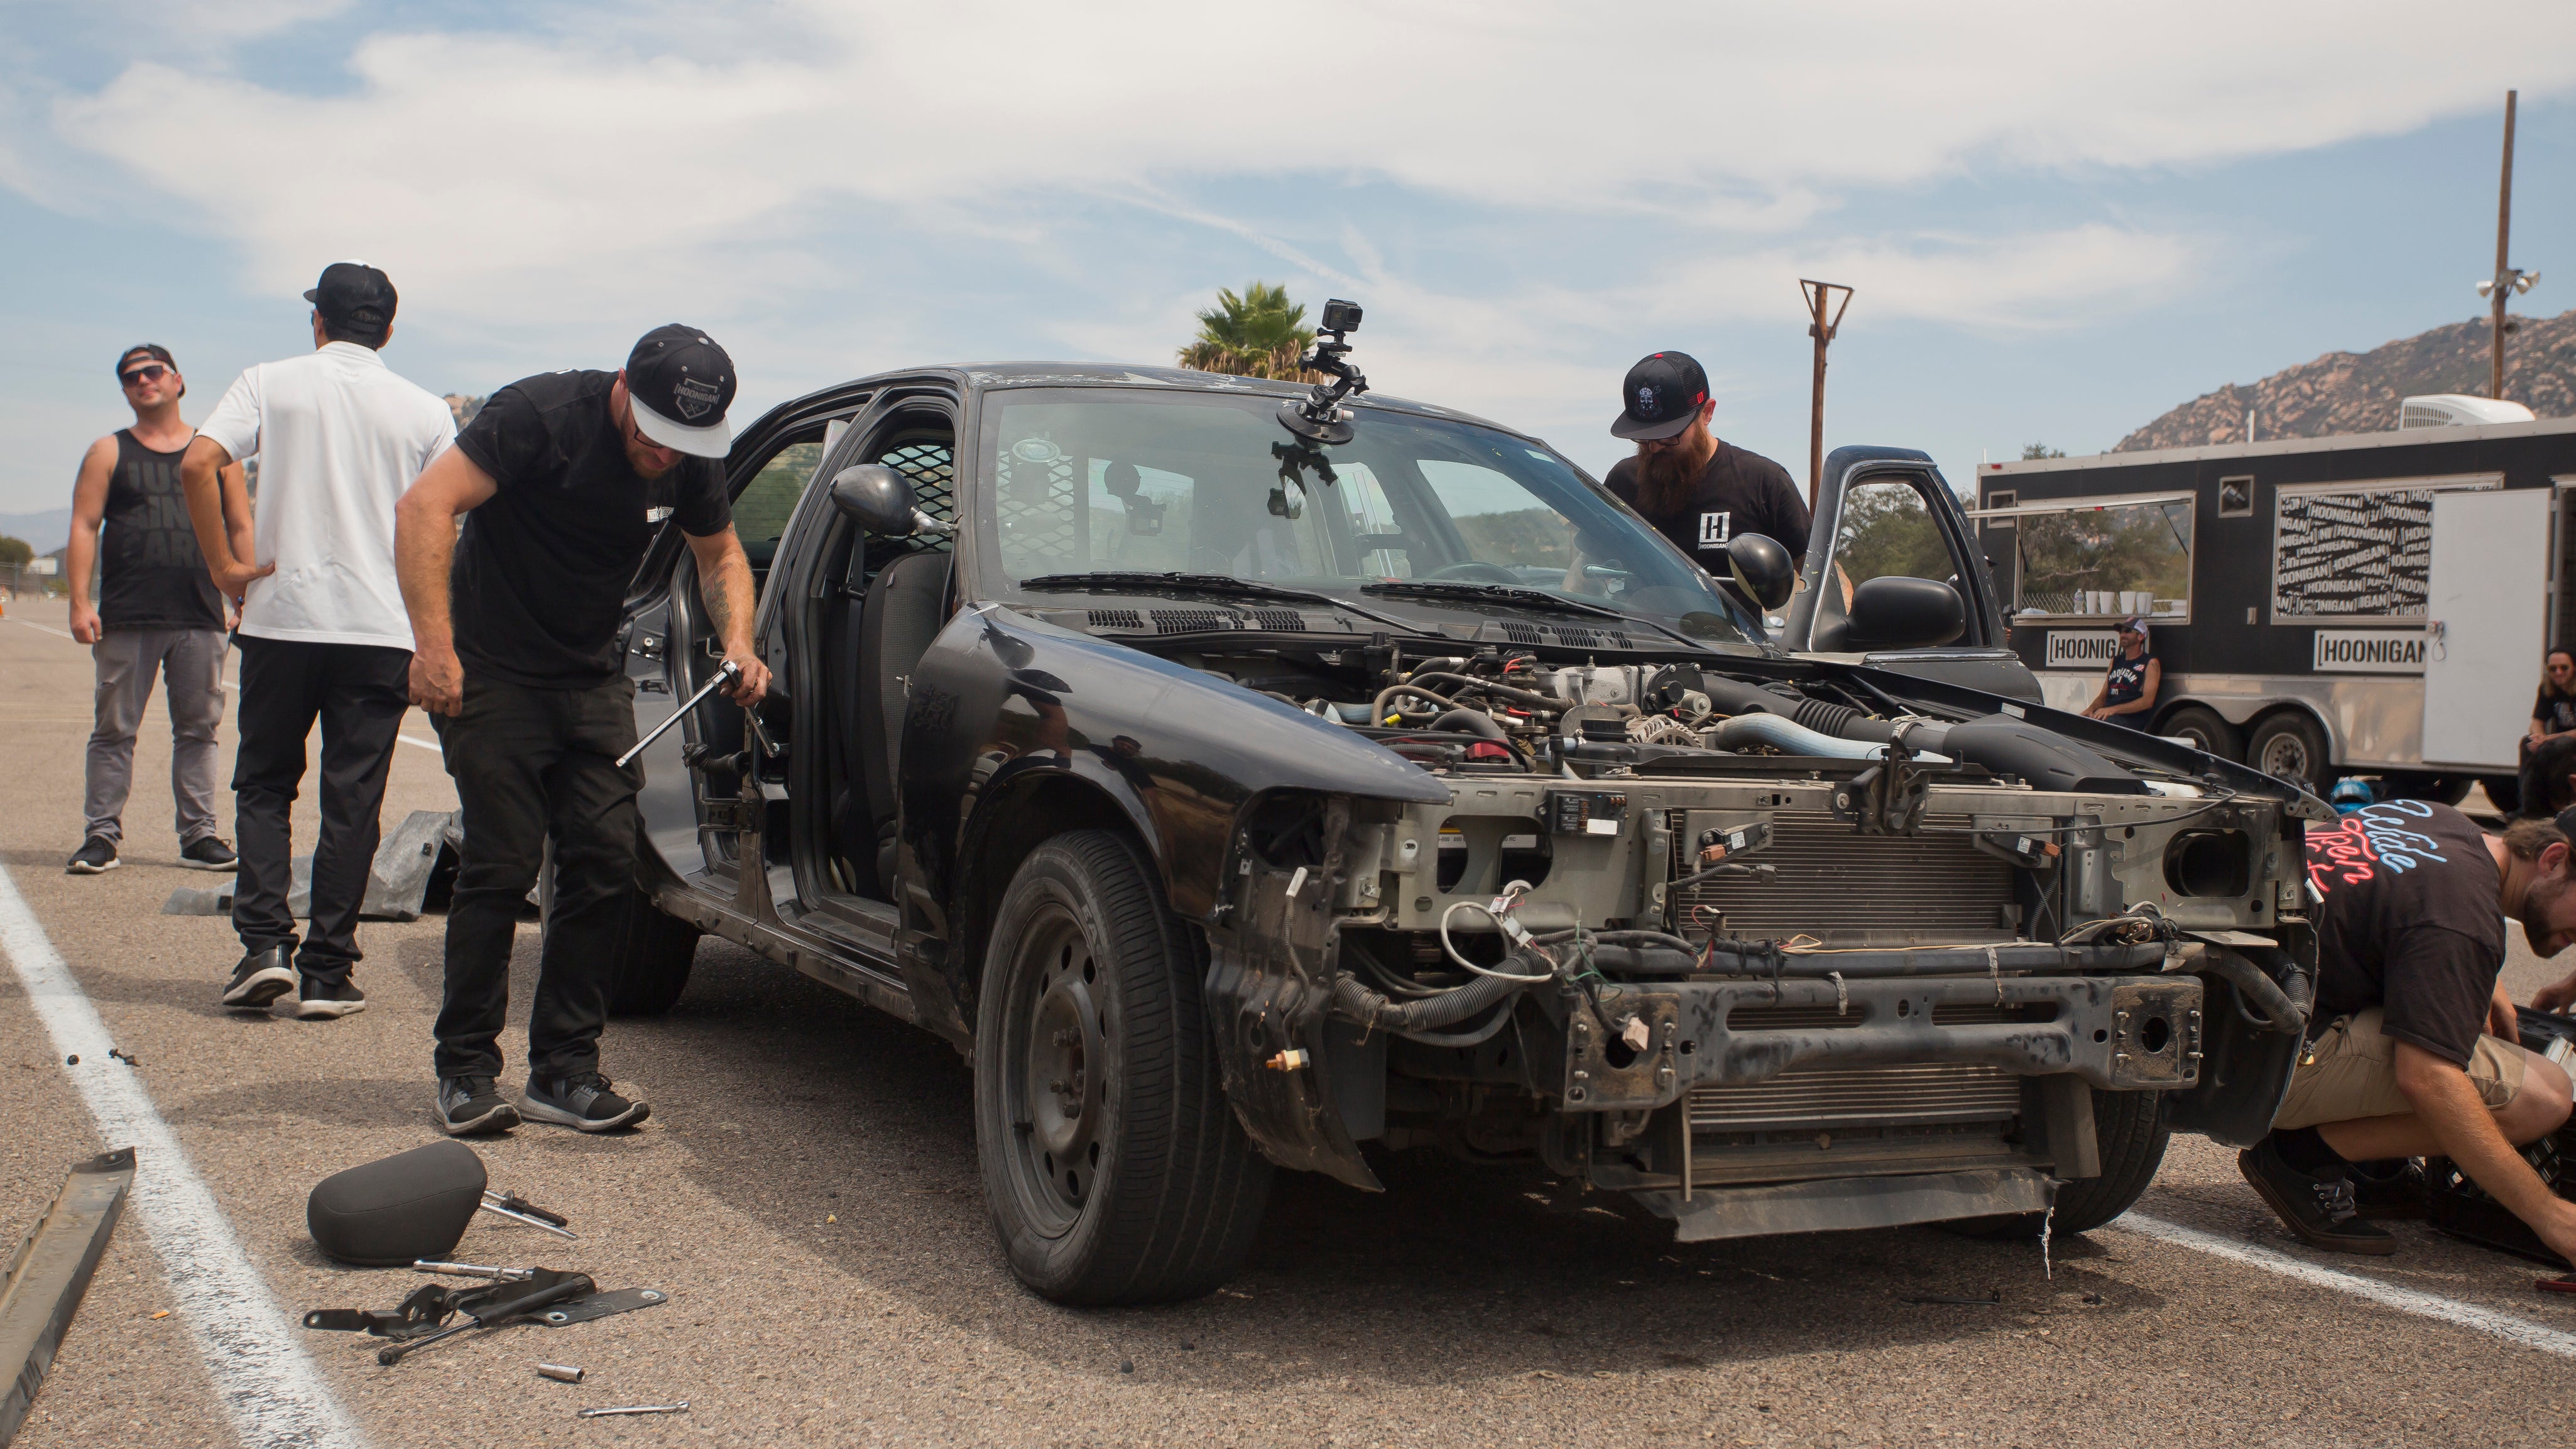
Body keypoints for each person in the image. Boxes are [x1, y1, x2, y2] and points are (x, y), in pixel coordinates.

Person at [395, 325, 768, 1137]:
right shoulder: (538, 413)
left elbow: (722, 555)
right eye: (655, 435)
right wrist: (434, 645)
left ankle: (564, 1070)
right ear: (625, 391)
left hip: (591, 677)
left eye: (684, 444)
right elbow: (427, 504)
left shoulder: (690, 453)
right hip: (491, 670)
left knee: (604, 864)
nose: (667, 455)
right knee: (500, 863)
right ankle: (464, 1070)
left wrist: (737, 639)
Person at [180, 262, 456, 1019]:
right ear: (389, 330)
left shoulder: (269, 381)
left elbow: (200, 461)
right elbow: (446, 523)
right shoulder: (428, 410)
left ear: (318, 322)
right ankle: (329, 971)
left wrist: (224, 567)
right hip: (379, 628)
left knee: (265, 784)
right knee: (353, 798)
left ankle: (263, 946)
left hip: (282, 617)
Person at [2239, 802, 2576, 1256]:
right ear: (2554, 860)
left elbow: (2394, 904)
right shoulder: (2462, 917)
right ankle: (2301, 1158)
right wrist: (2551, 1217)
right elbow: (2427, 1079)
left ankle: (2374, 1167)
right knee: (2544, 1095)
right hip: (2255, 1066)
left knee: (2443, 1014)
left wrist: (2477, 976)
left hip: (2230, 1017)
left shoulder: (2437, 819)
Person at [63, 345, 248, 876]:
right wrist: (80, 602)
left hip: (200, 614)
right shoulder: (108, 451)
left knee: (198, 730)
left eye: (152, 371)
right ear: (125, 390)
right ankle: (101, 836)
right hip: (128, 614)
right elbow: (83, 525)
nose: (142, 380)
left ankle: (200, 836)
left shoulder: (215, 452)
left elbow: (240, 526)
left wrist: (243, 594)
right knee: (114, 730)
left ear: (177, 380)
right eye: (130, 377)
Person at [1591, 351, 1809, 582]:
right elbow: (1586, 567)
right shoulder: (1623, 481)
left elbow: (1820, 575)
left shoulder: (1763, 483)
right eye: (1643, 438)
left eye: (1668, 436)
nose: (1654, 448)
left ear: (1707, 413)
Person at [2517, 648, 2576, 816]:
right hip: (2558, 742)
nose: (2558, 673)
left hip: (2568, 742)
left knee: (2559, 745)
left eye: (2564, 668)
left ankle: (2556, 807)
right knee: (2527, 744)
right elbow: (2537, 721)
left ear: (2574, 668)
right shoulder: (2547, 688)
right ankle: (2529, 808)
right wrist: (2538, 736)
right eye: (2553, 669)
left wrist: (2547, 739)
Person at [2082, 616, 2159, 728]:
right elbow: (2103, 696)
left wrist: (2113, 710)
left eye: (2128, 631)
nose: (2122, 635)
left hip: (2130, 719)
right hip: (2108, 715)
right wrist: (2091, 709)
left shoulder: (2151, 663)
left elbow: (2147, 701)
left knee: (2102, 725)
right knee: (2077, 723)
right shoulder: (2115, 661)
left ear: (2141, 636)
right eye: (2121, 631)